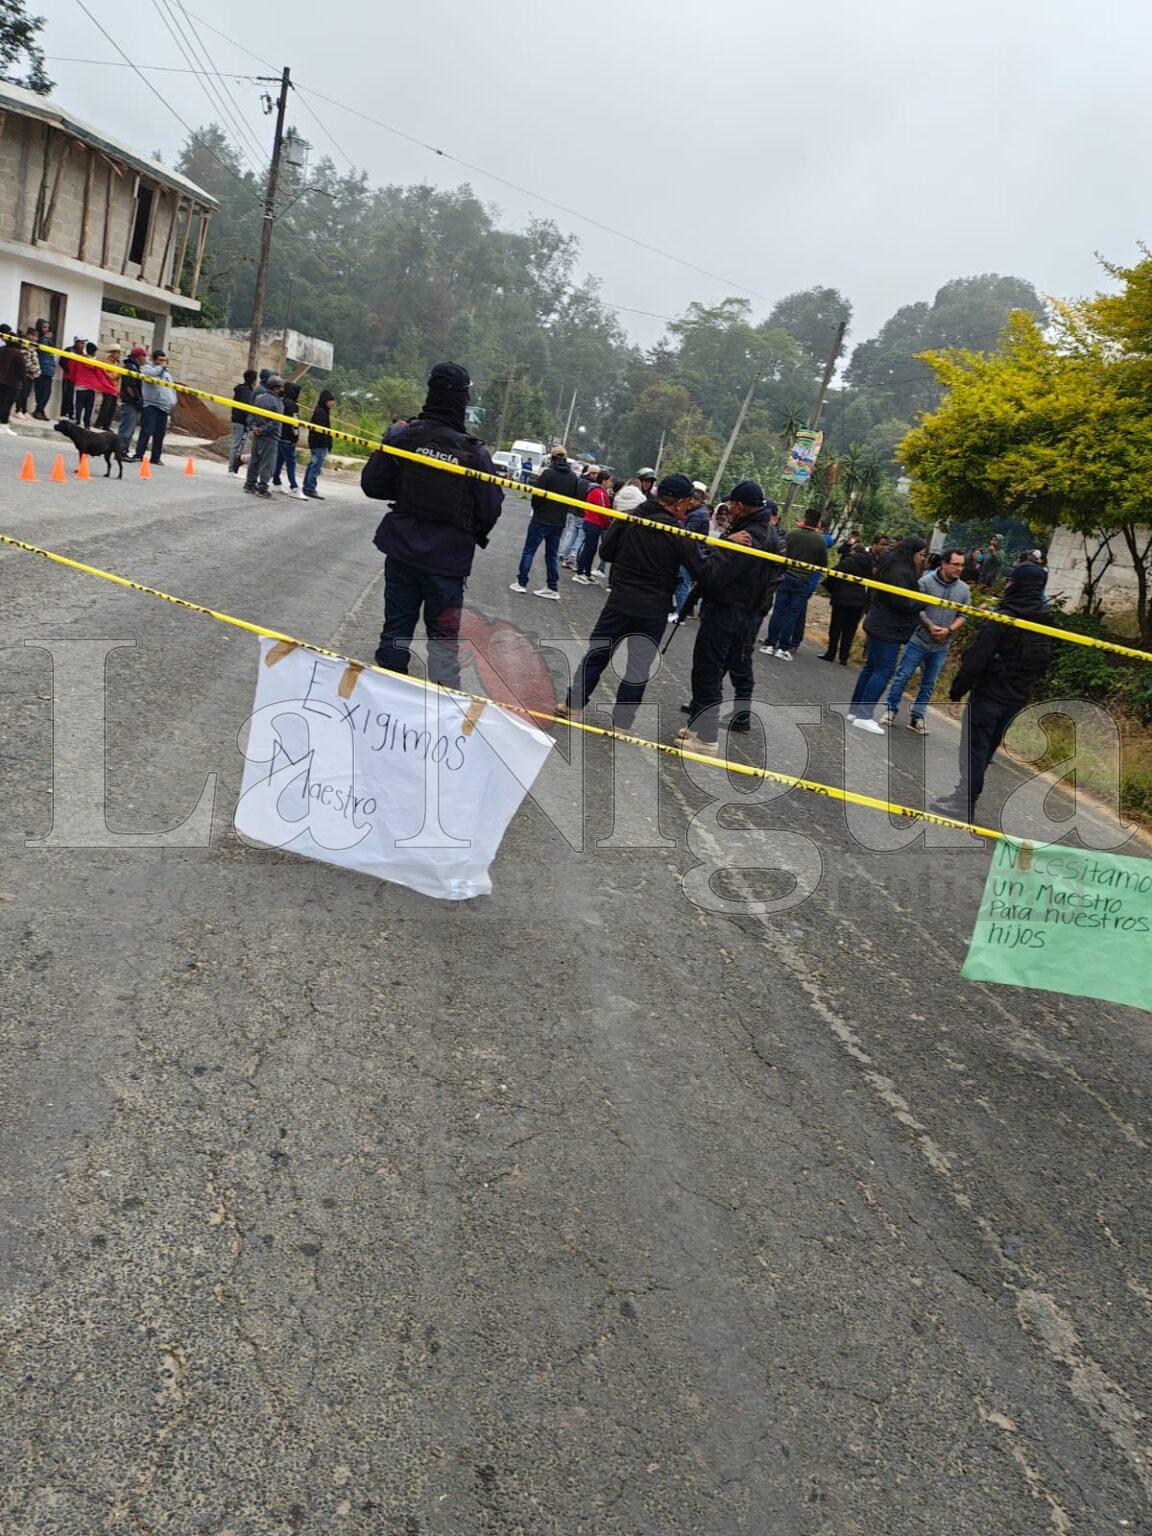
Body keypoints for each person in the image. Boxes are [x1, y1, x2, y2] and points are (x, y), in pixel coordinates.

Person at [362, 361, 502, 689]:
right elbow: (490, 509)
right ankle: (443, 723)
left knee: (394, 633)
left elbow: (373, 484)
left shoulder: (402, 436)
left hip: (403, 553)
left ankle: (386, 708)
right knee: (443, 645)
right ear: (462, 399)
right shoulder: (474, 455)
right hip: (447, 562)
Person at [558, 473, 703, 727]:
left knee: (597, 653)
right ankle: (622, 722)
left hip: (621, 600)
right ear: (679, 502)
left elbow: (606, 552)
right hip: (654, 609)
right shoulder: (679, 533)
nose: (688, 506)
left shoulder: (631, 517)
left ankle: (572, 705)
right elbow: (700, 569)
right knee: (638, 667)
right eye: (687, 502)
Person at [931, 563, 1053, 823]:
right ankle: (962, 796)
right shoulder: (1045, 620)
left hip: (990, 695)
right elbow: (1043, 662)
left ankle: (965, 804)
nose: (1006, 585)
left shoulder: (1003, 618)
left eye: (1010, 581)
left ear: (1018, 585)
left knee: (974, 750)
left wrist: (957, 691)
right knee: (984, 752)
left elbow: (977, 658)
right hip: (1016, 698)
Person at [676, 480, 782, 751]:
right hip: (742, 612)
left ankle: (707, 737)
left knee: (708, 672)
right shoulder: (763, 530)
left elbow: (713, 573)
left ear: (739, 505)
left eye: (732, 505)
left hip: (729, 611)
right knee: (711, 670)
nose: (730, 510)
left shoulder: (749, 535)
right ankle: (699, 726)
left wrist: (714, 543)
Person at [882, 547, 971, 732]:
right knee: (903, 675)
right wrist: (930, 626)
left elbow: (964, 614)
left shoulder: (964, 590)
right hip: (920, 639)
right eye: (955, 564)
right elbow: (916, 607)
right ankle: (890, 710)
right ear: (944, 563)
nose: (959, 569)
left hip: (941, 645)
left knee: (929, 683)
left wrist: (949, 629)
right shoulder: (925, 582)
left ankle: (917, 718)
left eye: (962, 565)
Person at [847, 535, 927, 733]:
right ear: (912, 553)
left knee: (871, 667)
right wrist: (922, 603)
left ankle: (856, 711)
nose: (923, 559)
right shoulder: (900, 571)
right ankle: (864, 715)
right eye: (921, 555)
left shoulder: (893, 564)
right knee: (884, 670)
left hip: (880, 623)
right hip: (887, 628)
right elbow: (901, 602)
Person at [511, 444, 579, 600]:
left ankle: (521, 583)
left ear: (553, 458)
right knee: (551, 555)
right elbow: (573, 499)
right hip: (559, 521)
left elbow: (536, 496)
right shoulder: (573, 477)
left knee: (529, 551)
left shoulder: (548, 474)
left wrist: (538, 510)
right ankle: (552, 587)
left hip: (541, 519)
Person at [760, 508, 828, 658]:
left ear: (805, 518)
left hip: (786, 577)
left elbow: (782, 551)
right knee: (792, 615)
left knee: (778, 611)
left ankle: (770, 644)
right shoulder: (820, 541)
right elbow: (823, 564)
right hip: (803, 581)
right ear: (817, 523)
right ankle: (783, 648)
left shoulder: (792, 534)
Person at [820, 538, 873, 665]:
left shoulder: (847, 562)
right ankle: (844, 657)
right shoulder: (869, 565)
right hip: (858, 602)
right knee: (850, 630)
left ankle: (831, 653)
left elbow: (832, 574)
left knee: (836, 627)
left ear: (853, 550)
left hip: (841, 600)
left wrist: (834, 590)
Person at [669, 481, 711, 621]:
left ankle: (680, 614)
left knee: (682, 584)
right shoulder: (699, 512)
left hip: (689, 553)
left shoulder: (697, 515)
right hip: (691, 552)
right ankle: (679, 611)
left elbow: (686, 533)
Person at [133, 349, 176, 465]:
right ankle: (139, 455)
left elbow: (170, 390)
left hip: (163, 408)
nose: (162, 362)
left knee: (160, 434)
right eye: (160, 360)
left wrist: (171, 402)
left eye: (164, 360)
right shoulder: (147, 368)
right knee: (147, 431)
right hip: (150, 405)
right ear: (153, 359)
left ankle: (155, 458)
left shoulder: (167, 375)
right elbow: (150, 374)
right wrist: (160, 367)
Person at [243, 373, 283, 497]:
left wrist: (254, 427)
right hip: (270, 437)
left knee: (254, 460)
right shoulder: (278, 403)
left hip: (257, 434)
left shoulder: (258, 398)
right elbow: (275, 423)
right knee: (268, 463)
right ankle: (262, 488)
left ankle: (249, 484)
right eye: (281, 387)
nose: (282, 389)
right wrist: (263, 430)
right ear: (276, 388)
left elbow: (251, 415)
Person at [574, 468, 615, 584]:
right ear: (604, 481)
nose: (611, 483)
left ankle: (586, 573)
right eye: (610, 480)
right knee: (588, 549)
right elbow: (603, 510)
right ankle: (579, 572)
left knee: (591, 550)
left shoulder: (600, 491)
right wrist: (607, 524)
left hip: (594, 523)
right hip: (593, 523)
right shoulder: (598, 492)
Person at [272, 380, 303, 497]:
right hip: (288, 439)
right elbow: (294, 424)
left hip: (278, 436)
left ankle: (276, 482)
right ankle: (294, 487)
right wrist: (295, 438)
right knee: (291, 463)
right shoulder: (293, 406)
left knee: (279, 461)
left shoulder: (280, 402)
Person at [303, 389, 335, 499]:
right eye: (330, 400)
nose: (332, 403)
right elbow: (322, 433)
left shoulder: (323, 411)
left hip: (319, 445)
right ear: (325, 401)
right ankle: (310, 488)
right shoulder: (321, 413)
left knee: (313, 465)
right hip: (319, 445)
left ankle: (308, 487)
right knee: (315, 467)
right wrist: (326, 444)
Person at [118, 347, 147, 457]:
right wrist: (137, 399)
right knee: (126, 430)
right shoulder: (131, 367)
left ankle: (123, 451)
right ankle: (120, 452)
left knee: (129, 430)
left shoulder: (135, 367)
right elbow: (130, 387)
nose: (145, 359)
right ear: (139, 357)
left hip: (132, 403)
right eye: (144, 356)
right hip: (130, 402)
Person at [0, 327, 29, 432]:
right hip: (13, 383)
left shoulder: (2, 349)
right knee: (7, 405)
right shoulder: (18, 353)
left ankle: (2, 425)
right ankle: (3, 425)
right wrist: (22, 379)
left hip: (1, 381)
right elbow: (23, 370)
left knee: (1, 403)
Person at [229, 369, 257, 474]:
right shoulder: (247, 392)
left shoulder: (242, 390)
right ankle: (231, 469)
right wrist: (248, 423)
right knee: (237, 445)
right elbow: (246, 409)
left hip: (238, 420)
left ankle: (232, 469)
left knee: (237, 444)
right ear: (253, 380)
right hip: (241, 422)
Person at [71, 341, 101, 428]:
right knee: (89, 408)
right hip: (91, 388)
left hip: (80, 386)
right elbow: (99, 375)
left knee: (78, 406)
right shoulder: (96, 363)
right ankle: (87, 425)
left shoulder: (80, 359)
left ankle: (77, 421)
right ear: (94, 352)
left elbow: (74, 370)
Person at [31, 318, 56, 419]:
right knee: (41, 391)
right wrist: (46, 338)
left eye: (48, 327)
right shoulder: (41, 339)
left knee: (46, 392)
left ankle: (39, 410)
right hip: (41, 368)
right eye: (44, 327)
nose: (46, 329)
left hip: (48, 370)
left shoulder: (47, 339)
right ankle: (39, 411)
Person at [14, 326, 39, 416]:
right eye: (32, 336)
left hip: (31, 374)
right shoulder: (24, 345)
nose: (34, 338)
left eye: (36, 336)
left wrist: (36, 371)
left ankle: (24, 410)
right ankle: (18, 410)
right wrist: (33, 369)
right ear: (27, 335)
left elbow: (35, 360)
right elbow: (25, 360)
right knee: (22, 393)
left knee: (26, 393)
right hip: (25, 373)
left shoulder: (34, 347)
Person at [94, 347, 121, 430]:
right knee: (106, 405)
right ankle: (99, 423)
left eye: (119, 353)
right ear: (112, 352)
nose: (118, 355)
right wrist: (117, 374)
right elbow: (106, 374)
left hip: (115, 387)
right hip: (107, 386)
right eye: (117, 352)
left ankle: (107, 425)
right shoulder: (106, 362)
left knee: (112, 407)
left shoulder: (117, 363)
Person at [58, 337, 83, 420]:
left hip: (77, 380)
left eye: (83, 343)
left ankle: (71, 414)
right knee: (66, 395)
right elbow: (61, 362)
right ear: (76, 343)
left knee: (74, 397)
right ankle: (64, 413)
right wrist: (68, 370)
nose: (82, 345)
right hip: (68, 378)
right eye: (81, 343)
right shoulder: (68, 350)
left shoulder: (82, 354)